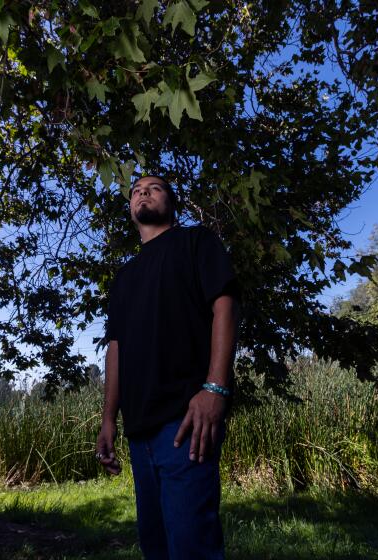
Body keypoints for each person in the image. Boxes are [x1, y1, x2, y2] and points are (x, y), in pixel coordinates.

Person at [96, 175, 241, 560]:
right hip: (138, 429)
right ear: (130, 209)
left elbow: (224, 306)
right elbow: (116, 348)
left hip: (185, 422)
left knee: (192, 546)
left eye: (154, 188)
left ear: (172, 203)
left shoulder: (196, 242)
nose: (143, 192)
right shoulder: (124, 278)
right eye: (136, 190)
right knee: (155, 546)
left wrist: (215, 389)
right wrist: (109, 419)